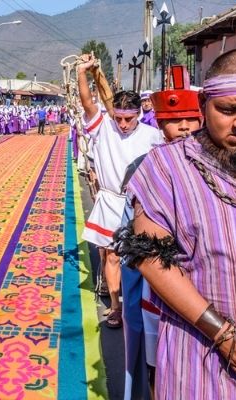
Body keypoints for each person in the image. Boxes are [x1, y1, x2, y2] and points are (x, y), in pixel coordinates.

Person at [118, 48, 236, 398]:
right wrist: (224, 335)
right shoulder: (166, 169)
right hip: (201, 358)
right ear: (204, 103)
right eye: (229, 109)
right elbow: (150, 259)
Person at [118, 66, 203, 400]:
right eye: (174, 119)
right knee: (162, 370)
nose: (183, 127)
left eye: (190, 118)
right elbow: (134, 241)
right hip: (159, 289)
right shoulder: (142, 168)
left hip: (210, 284)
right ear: (160, 122)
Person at [77, 53, 163, 329]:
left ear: (139, 114)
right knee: (111, 255)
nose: (123, 125)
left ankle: (141, 304)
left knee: (141, 258)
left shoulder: (153, 136)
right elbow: (87, 102)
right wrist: (82, 72)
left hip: (140, 204)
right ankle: (116, 306)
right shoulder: (103, 127)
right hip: (110, 201)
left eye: (128, 119)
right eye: (119, 118)